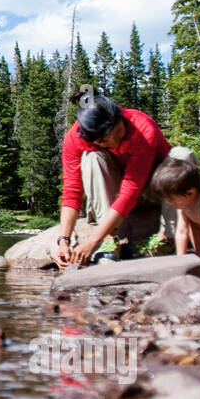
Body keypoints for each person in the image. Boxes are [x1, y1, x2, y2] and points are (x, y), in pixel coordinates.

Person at [52, 94, 172, 269]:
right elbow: (72, 191)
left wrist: (93, 241)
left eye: (118, 132)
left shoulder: (142, 127)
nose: (114, 141)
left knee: (180, 156)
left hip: (154, 189)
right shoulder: (74, 139)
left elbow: (131, 190)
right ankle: (110, 240)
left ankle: (168, 238)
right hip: (117, 189)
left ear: (120, 118)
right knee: (92, 158)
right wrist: (64, 241)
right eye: (104, 140)